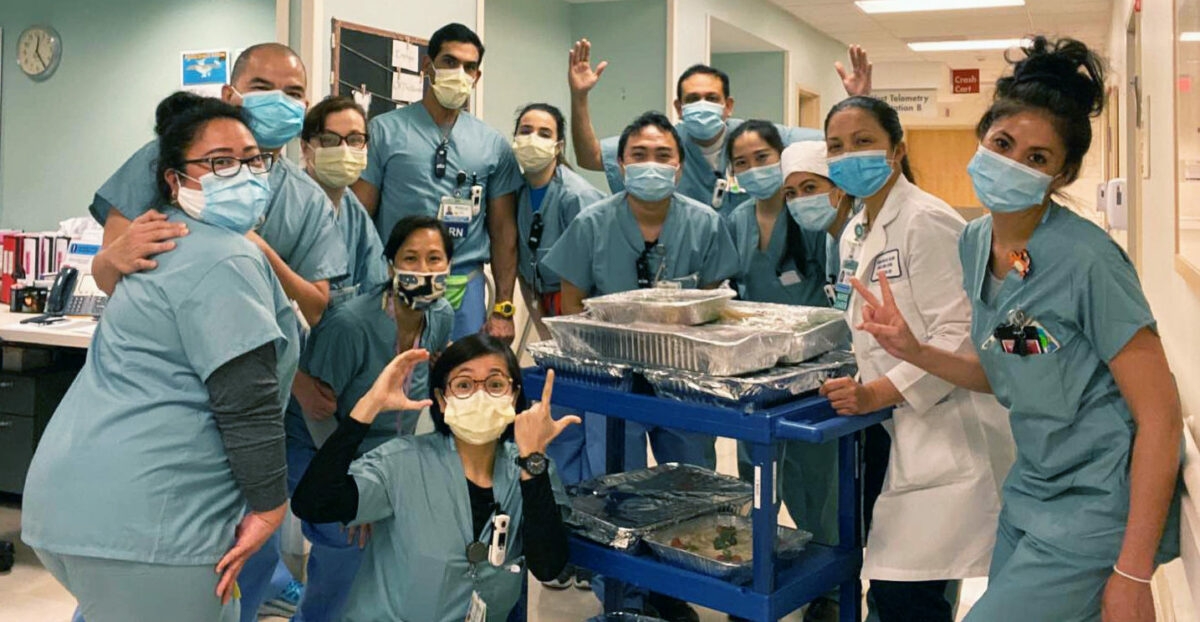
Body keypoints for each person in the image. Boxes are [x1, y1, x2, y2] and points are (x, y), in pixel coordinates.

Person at [851, 37, 1184, 622]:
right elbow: (1003, 368)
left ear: (1062, 174)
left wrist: (1132, 572)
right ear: (981, 139)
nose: (1010, 164)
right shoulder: (976, 241)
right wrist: (914, 350)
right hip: (1030, 492)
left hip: (1095, 508)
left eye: (1036, 158)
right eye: (1002, 144)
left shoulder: (1088, 262)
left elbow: (1159, 416)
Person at [21, 93, 300, 622]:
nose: (241, 171)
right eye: (219, 161)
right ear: (175, 179)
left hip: (75, 504)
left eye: (251, 158)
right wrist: (269, 507)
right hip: (149, 521)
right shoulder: (224, 258)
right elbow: (246, 399)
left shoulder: (161, 242)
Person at [816, 95, 1014, 622]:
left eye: (863, 143)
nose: (847, 156)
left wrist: (876, 392)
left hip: (945, 427)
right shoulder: (856, 230)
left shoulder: (926, 220)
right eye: (836, 146)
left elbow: (959, 334)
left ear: (897, 150)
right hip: (890, 424)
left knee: (908, 593)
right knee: (894, 585)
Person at [541, 110, 738, 622]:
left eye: (662, 156)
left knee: (690, 484)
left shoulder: (705, 223)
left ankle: (673, 585)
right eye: (639, 155)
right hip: (614, 383)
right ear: (621, 164)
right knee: (617, 487)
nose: (651, 164)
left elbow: (721, 304)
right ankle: (623, 593)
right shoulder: (592, 224)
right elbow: (573, 305)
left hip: (685, 384)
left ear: (678, 167)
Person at [291, 336, 576, 622]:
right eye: (463, 385)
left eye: (495, 385)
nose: (480, 396)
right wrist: (368, 406)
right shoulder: (402, 462)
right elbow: (312, 504)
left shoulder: (530, 468)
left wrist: (532, 462)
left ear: (513, 397)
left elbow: (549, 567)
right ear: (441, 400)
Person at [89, 43, 347, 329]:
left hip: (248, 346)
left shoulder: (308, 200)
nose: (278, 101)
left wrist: (258, 251)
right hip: (151, 343)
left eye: (293, 93)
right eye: (261, 88)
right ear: (229, 95)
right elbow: (105, 273)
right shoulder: (166, 159)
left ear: (304, 107)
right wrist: (115, 258)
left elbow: (313, 309)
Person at [280, 215, 455, 621]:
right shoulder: (351, 325)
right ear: (391, 266)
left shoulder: (441, 315)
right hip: (318, 443)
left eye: (434, 259)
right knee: (350, 533)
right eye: (411, 258)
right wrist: (357, 486)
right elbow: (317, 413)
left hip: (380, 449)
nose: (424, 270)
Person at [724, 128, 854, 622]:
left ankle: (822, 585)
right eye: (741, 161)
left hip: (813, 369)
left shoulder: (809, 216)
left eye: (763, 157)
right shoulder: (735, 219)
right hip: (750, 370)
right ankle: (755, 569)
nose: (753, 167)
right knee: (752, 478)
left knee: (814, 481)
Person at [352, 23, 523, 343]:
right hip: (396, 281)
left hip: (464, 286)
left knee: (460, 380)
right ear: (427, 66)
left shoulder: (492, 145)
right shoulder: (384, 132)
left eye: (469, 66)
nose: (459, 72)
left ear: (477, 77)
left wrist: (503, 308)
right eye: (449, 62)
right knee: (397, 376)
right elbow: (358, 216)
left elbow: (503, 232)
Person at [567, 40, 872, 216]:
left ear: (728, 105)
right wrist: (579, 97)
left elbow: (841, 150)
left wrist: (859, 104)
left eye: (711, 98)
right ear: (679, 107)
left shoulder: (761, 140)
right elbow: (591, 156)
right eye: (693, 99)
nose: (702, 104)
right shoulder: (665, 145)